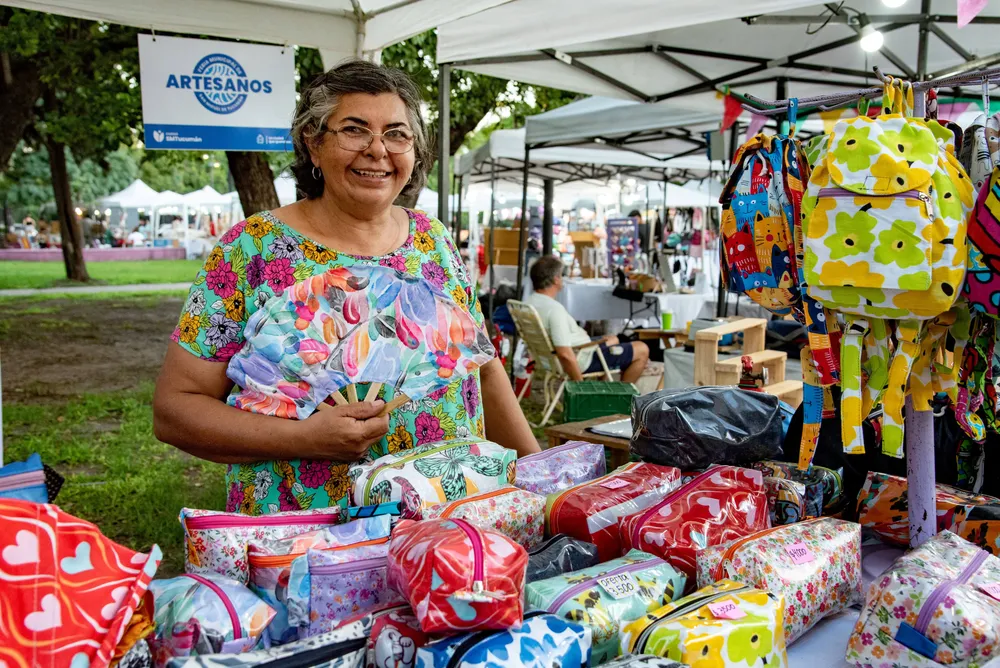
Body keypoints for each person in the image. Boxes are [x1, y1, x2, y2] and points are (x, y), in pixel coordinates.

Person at [153, 60, 539, 516]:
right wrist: (305, 439)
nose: (378, 150)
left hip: (448, 528)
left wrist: (538, 480)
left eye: (397, 134)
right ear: (313, 144)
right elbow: (175, 410)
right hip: (310, 543)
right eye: (355, 130)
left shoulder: (433, 241)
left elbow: (483, 371)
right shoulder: (252, 249)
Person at [525, 254, 649, 383]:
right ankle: (623, 400)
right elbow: (565, 354)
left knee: (613, 339)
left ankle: (604, 392)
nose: (562, 279)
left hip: (562, 354)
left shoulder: (531, 302)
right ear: (556, 280)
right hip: (582, 357)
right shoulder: (554, 310)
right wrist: (580, 387)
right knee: (642, 349)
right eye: (561, 276)